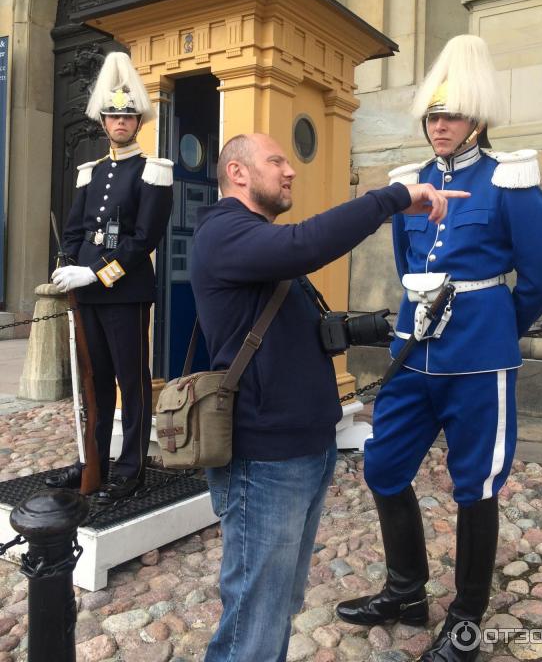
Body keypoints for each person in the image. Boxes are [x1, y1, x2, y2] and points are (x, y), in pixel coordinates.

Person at [190, 132, 470, 662]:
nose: (290, 171)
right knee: (255, 612)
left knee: (278, 604)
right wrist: (392, 197)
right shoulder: (224, 231)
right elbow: (306, 244)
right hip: (264, 458)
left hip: (304, 448)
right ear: (238, 173)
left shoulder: (256, 240)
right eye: (276, 162)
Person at [336, 35, 542, 662]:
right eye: (432, 115)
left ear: (477, 119)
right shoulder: (410, 186)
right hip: (414, 356)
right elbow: (413, 266)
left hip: (477, 362)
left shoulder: (508, 179)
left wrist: (493, 326)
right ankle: (406, 592)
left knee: (476, 484)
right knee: (383, 467)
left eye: (451, 114)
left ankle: (465, 621)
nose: (439, 125)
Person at [47, 52, 173, 500]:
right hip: (89, 295)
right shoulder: (90, 173)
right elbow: (77, 228)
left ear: (139, 121)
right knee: (94, 382)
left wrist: (96, 273)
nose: (120, 122)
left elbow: (144, 240)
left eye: (128, 115)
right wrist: (68, 268)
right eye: (113, 115)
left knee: (130, 380)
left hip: (125, 292)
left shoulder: (153, 172)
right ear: (102, 120)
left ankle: (132, 468)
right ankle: (92, 463)